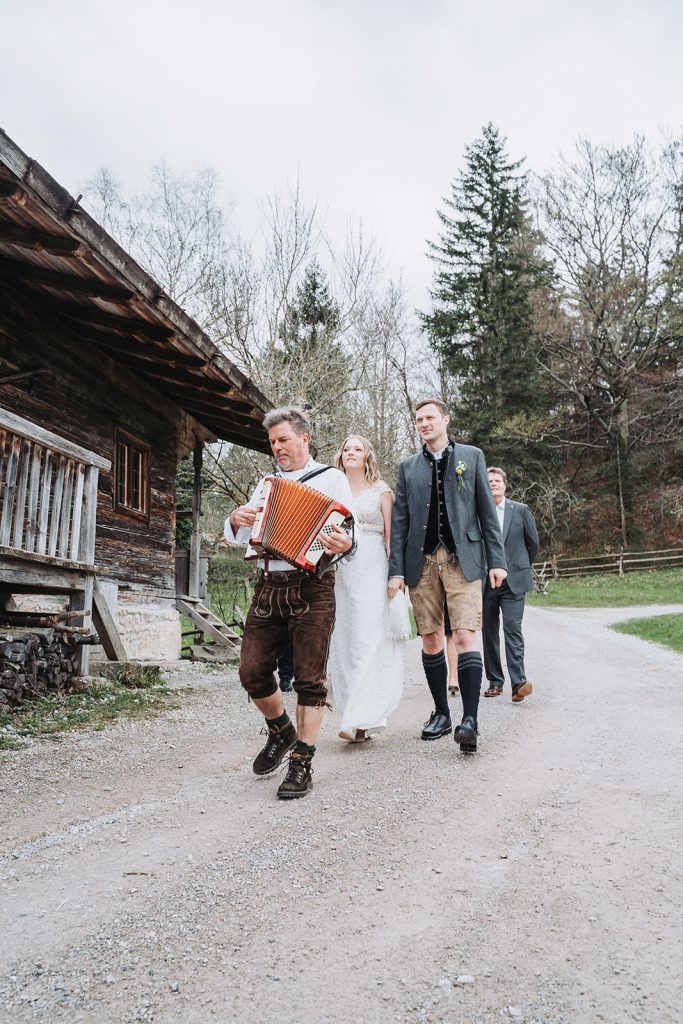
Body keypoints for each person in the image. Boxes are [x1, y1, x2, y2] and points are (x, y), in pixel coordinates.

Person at [224, 407, 355, 799]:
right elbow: (241, 533)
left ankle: (302, 763)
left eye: (282, 440)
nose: (277, 448)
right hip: (268, 584)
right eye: (272, 443)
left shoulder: (332, 479)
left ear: (304, 439)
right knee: (252, 672)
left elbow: (350, 537)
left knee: (310, 680)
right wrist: (234, 519)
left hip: (314, 584)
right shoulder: (266, 484)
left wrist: (345, 543)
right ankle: (281, 730)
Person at [388, 398, 507, 753]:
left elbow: (487, 511)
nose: (424, 424)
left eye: (430, 418)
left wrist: (497, 561)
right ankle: (441, 712)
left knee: (467, 635)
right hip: (421, 564)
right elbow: (400, 523)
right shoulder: (408, 467)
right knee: (430, 639)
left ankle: (469, 720)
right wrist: (396, 570)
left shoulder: (472, 456)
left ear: (445, 420)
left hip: (463, 560)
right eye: (419, 419)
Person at [328, 435, 405, 743]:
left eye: (357, 449)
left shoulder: (381, 491)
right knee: (345, 639)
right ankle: (354, 714)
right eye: (346, 448)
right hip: (342, 570)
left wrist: (395, 577)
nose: (351, 453)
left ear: (367, 455)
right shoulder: (334, 488)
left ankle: (360, 715)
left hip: (374, 568)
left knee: (369, 637)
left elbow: (392, 538)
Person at [483, 466, 539, 702]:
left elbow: (532, 543)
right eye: (489, 481)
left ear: (505, 485)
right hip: (486, 582)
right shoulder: (478, 512)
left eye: (497, 480)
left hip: (514, 581)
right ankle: (495, 682)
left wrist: (517, 566)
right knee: (489, 632)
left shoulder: (521, 510)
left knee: (513, 630)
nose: (494, 483)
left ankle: (518, 683)